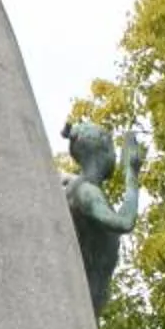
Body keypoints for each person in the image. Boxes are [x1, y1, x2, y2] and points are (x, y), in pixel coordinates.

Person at [62, 119, 145, 315]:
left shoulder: (82, 188)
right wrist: (131, 176)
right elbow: (124, 222)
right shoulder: (86, 192)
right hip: (84, 301)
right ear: (102, 153)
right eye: (113, 150)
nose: (115, 156)